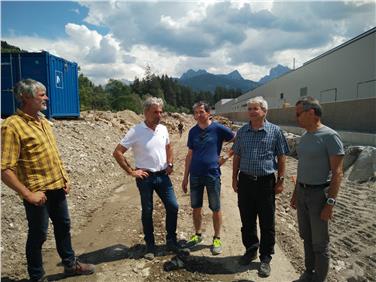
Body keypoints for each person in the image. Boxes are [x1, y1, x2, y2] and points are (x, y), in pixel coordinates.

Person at [1, 79, 95, 282]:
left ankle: (70, 265)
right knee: (39, 234)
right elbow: (5, 169)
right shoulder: (12, 126)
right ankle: (37, 276)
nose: (47, 98)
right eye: (41, 95)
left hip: (57, 186)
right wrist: (27, 194)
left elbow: (53, 154)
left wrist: (64, 177)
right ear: (26, 97)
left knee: (63, 226)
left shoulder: (43, 121)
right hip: (37, 193)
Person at [113, 97, 186, 260]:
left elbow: (169, 146)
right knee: (147, 211)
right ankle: (150, 245)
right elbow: (117, 152)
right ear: (146, 112)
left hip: (162, 175)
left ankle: (171, 241)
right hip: (145, 177)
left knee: (173, 206)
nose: (159, 115)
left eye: (160, 112)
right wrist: (131, 171)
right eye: (155, 112)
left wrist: (171, 163)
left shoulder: (163, 129)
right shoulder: (136, 131)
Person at [232, 96, 289, 277]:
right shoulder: (242, 132)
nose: (251, 112)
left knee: (267, 221)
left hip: (266, 183)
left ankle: (265, 257)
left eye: (254, 108)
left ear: (264, 111)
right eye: (249, 109)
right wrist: (234, 178)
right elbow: (237, 156)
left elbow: (281, 157)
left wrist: (280, 180)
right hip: (246, 181)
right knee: (247, 219)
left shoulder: (275, 131)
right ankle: (250, 249)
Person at [290, 97, 344, 282]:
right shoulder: (304, 138)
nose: (296, 117)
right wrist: (295, 193)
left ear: (311, 113)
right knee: (306, 236)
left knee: (320, 243)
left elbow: (337, 173)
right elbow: (301, 168)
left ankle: (319, 279)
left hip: (319, 195)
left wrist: (330, 203)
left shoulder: (330, 136)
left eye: (298, 113)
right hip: (303, 193)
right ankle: (309, 272)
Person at [182, 101, 235, 255]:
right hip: (196, 175)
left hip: (212, 174)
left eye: (201, 112)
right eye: (196, 113)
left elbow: (237, 139)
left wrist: (225, 156)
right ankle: (197, 235)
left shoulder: (218, 128)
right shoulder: (192, 132)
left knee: (215, 207)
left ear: (208, 113)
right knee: (196, 207)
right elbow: (189, 155)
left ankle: (217, 238)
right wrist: (185, 177)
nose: (199, 115)